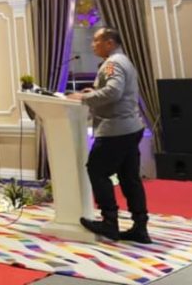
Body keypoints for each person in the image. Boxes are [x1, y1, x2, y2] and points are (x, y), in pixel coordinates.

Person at [67, 27, 151, 243]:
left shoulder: (112, 63)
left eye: (96, 40)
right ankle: (140, 226)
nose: (92, 45)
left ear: (110, 43)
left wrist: (83, 98)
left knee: (97, 171)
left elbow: (114, 91)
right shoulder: (123, 60)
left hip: (115, 129)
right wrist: (94, 92)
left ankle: (109, 222)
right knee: (129, 178)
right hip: (130, 127)